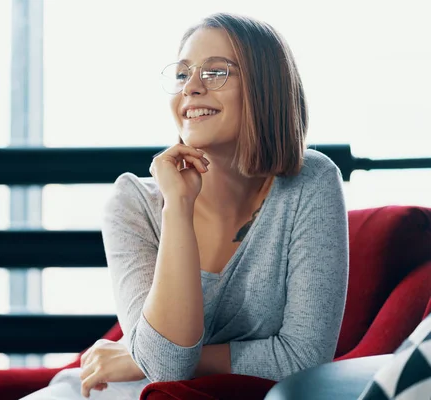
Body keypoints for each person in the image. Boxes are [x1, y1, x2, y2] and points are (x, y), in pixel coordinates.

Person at [21, 12, 348, 400]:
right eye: (182, 75)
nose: (190, 88)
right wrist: (177, 206)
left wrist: (137, 355)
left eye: (215, 72)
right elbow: (165, 367)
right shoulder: (133, 204)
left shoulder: (310, 181)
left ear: (266, 88)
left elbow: (304, 360)